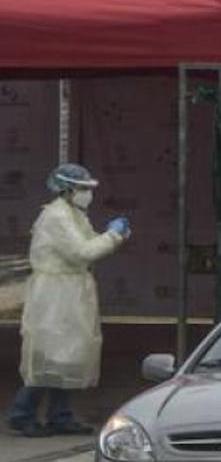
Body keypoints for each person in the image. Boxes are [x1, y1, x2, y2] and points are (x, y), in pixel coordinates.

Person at [7, 164, 130, 437]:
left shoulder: (73, 214)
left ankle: (59, 415)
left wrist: (114, 236)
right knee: (48, 354)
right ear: (67, 189)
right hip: (54, 295)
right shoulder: (56, 216)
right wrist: (113, 235)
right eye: (83, 189)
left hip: (70, 291)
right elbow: (82, 252)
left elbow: (89, 243)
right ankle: (22, 413)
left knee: (68, 356)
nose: (88, 194)